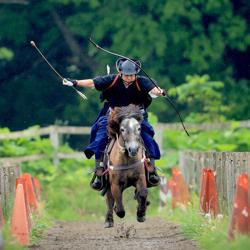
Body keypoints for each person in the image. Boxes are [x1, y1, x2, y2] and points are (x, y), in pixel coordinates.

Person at [63, 58, 166, 190]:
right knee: (100, 133)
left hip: (135, 116)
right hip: (114, 115)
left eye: (132, 75)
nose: (129, 77)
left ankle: (151, 168)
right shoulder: (111, 79)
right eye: (126, 75)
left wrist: (160, 91)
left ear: (136, 73)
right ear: (120, 72)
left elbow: (154, 90)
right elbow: (93, 83)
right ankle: (99, 169)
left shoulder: (143, 81)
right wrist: (75, 82)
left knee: (147, 133)